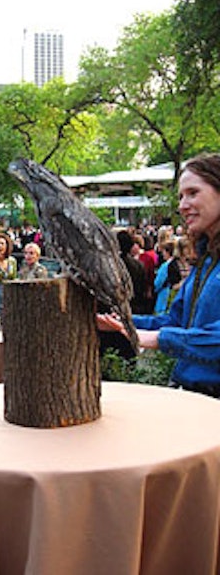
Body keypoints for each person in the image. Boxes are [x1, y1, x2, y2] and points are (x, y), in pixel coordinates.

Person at [97, 153, 220, 397]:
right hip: (190, 395)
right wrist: (123, 322)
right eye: (181, 196)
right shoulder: (204, 261)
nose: (182, 205)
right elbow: (175, 322)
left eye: (193, 193)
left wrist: (159, 339)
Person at [153, 241, 181, 315]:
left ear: (168, 252)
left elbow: (158, 283)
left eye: (164, 251)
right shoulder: (177, 263)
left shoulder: (165, 266)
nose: (163, 254)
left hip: (164, 295)